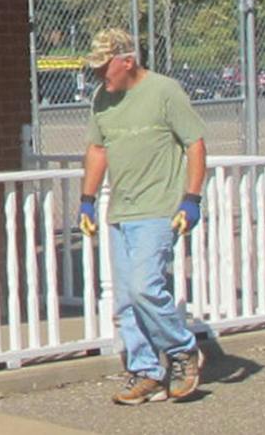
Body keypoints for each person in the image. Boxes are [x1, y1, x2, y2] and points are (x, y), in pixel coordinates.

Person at [78, 27, 208, 405]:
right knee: (125, 302)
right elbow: (98, 149)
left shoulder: (165, 91)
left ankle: (183, 349)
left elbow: (195, 144)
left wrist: (192, 199)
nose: (99, 75)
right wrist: (87, 200)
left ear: (127, 61)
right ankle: (146, 371)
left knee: (144, 287)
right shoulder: (102, 99)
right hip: (122, 210)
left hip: (159, 208)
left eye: (104, 67)